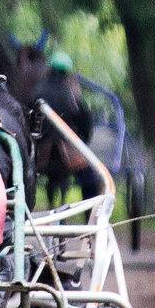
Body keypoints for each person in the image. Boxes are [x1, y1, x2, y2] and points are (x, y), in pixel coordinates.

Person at [34, 50, 104, 208]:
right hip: (68, 155)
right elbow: (86, 124)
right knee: (91, 177)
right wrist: (82, 142)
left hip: (40, 153)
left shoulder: (37, 92)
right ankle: (90, 213)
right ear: (67, 73)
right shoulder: (73, 95)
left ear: (49, 69)